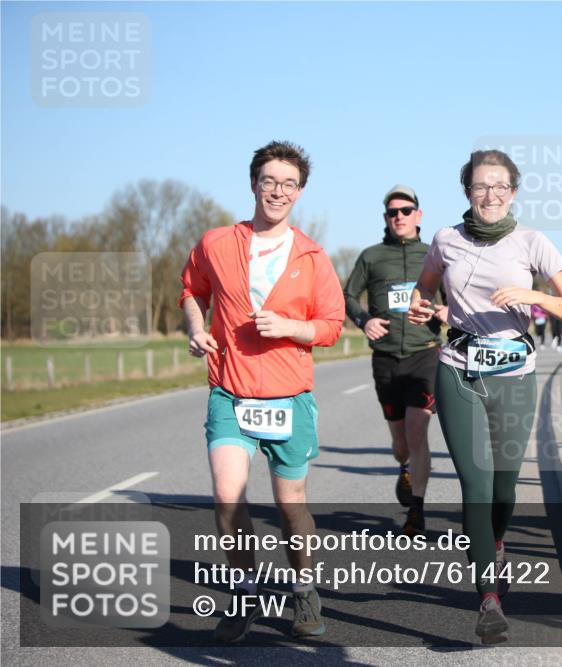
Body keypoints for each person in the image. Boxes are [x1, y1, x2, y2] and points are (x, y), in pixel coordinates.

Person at [408, 149, 562, 645]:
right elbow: (422, 291)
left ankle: (498, 544)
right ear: (467, 190)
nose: (490, 195)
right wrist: (426, 309)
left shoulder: (532, 241)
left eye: (500, 186)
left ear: (514, 191)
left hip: (514, 371)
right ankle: (488, 597)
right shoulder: (446, 239)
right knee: (477, 484)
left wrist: (534, 297)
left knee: (504, 488)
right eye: (481, 186)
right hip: (458, 369)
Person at [180, 140, 345, 642]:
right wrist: (194, 326)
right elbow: (193, 290)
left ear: (299, 193)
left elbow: (332, 326)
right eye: (269, 181)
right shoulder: (216, 243)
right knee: (227, 497)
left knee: (290, 504)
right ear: (254, 183)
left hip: (288, 396)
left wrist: (292, 328)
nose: (277, 191)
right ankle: (244, 594)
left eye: (288, 184)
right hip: (230, 391)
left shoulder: (313, 257)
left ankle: (304, 591)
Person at [343, 184, 446, 537]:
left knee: (419, 433)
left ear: (419, 215)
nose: (399, 217)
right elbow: (346, 295)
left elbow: (455, 297)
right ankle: (403, 466)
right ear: (386, 218)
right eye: (392, 212)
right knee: (401, 443)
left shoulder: (435, 253)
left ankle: (416, 512)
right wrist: (364, 319)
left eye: (406, 211)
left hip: (425, 354)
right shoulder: (372, 256)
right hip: (386, 359)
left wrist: (446, 312)